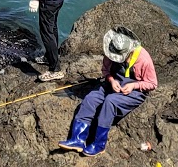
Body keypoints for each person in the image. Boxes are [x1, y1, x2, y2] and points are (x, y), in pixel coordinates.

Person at [59, 28, 158, 156]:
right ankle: (77, 139)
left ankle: (99, 144)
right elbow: (105, 71)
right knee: (91, 98)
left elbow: (152, 84)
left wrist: (134, 85)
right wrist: (111, 80)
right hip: (112, 83)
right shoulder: (110, 51)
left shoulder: (143, 58)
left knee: (110, 102)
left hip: (135, 91)